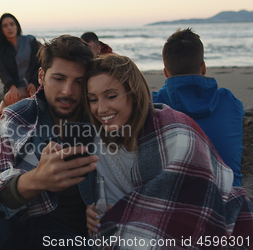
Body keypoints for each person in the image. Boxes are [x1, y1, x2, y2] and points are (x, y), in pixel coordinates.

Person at [83, 54, 252, 247]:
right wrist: (100, 214)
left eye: (111, 96)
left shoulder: (175, 130)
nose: (101, 108)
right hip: (141, 229)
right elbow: (113, 205)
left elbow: (193, 206)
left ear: (134, 93)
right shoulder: (101, 144)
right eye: (93, 99)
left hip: (214, 218)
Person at [0, 35, 98, 249]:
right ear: (41, 76)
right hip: (14, 222)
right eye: (59, 78)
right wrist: (36, 180)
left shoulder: (101, 117)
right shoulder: (18, 116)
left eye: (79, 82)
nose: (68, 91)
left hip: (64, 233)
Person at [152, 28, 244, 186]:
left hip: (183, 204)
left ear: (166, 73)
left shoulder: (154, 106)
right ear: (203, 68)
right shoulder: (230, 102)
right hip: (231, 201)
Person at [0, 13, 41, 113]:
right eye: (5, 26)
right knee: (8, 98)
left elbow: (40, 63)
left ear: (17, 26)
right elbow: (3, 73)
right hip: (15, 87)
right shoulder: (1, 51)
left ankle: (2, 111)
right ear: (1, 30)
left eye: (12, 24)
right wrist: (12, 87)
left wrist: (34, 82)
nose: (9, 28)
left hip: (34, 84)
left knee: (5, 107)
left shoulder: (30, 41)